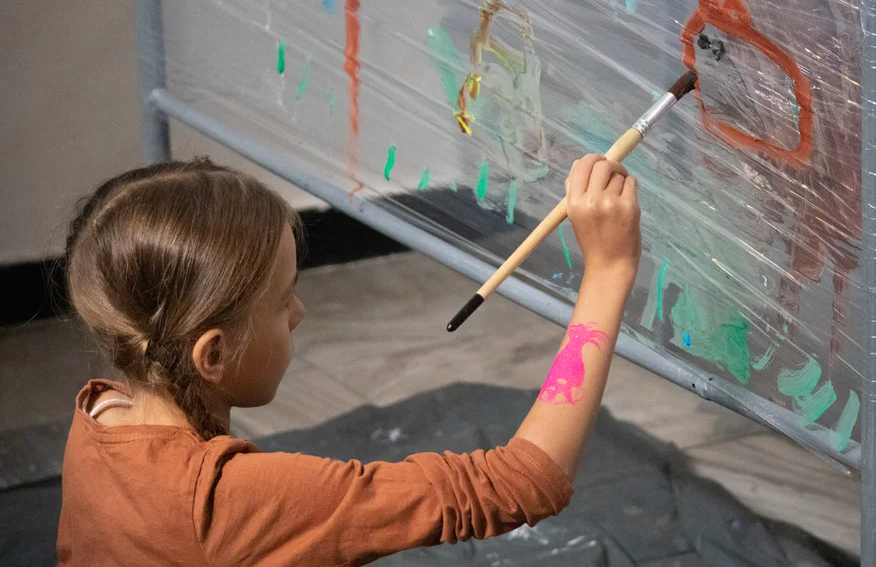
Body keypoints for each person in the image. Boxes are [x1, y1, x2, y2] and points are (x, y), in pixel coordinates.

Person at [57, 154, 641, 565]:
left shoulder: (102, 412)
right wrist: (609, 271)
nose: (299, 313)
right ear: (212, 354)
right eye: (283, 300)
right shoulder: (228, 503)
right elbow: (522, 483)